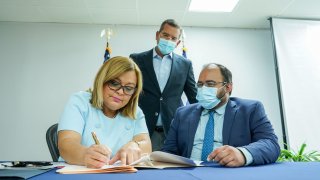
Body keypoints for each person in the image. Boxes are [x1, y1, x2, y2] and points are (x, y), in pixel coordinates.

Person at [162, 63, 280, 167]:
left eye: (210, 84)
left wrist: (242, 154)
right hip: (189, 173)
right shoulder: (182, 114)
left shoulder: (251, 110)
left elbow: (271, 143)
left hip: (229, 173)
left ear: (228, 87)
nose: (203, 89)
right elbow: (168, 152)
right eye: (200, 84)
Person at [58, 56, 152, 168]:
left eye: (128, 88)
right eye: (114, 83)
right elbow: (66, 143)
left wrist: (135, 144)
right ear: (102, 80)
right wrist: (84, 155)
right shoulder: (80, 102)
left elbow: (146, 145)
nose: (121, 92)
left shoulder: (135, 111)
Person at [130, 19, 197, 151]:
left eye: (173, 38)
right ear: (157, 35)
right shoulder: (136, 59)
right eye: (166, 35)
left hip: (174, 131)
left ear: (177, 43)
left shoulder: (185, 64)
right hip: (143, 130)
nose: (169, 40)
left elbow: (194, 97)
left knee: (173, 170)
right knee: (144, 169)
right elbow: (129, 92)